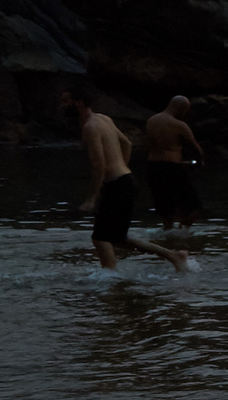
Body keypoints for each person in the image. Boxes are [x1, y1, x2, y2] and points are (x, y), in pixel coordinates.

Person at [73, 92, 190, 272]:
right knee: (115, 237)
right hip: (124, 181)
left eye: (65, 101)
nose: (62, 105)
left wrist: (92, 197)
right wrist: (122, 168)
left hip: (118, 185)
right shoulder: (103, 119)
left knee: (101, 237)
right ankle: (173, 256)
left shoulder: (91, 127)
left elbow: (99, 165)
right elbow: (127, 143)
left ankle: (110, 276)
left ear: (78, 103)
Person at [141, 95, 207, 230]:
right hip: (172, 168)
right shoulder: (179, 125)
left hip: (152, 167)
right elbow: (197, 149)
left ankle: (167, 240)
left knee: (165, 209)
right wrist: (199, 163)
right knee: (194, 209)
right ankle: (182, 234)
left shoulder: (151, 121)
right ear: (182, 109)